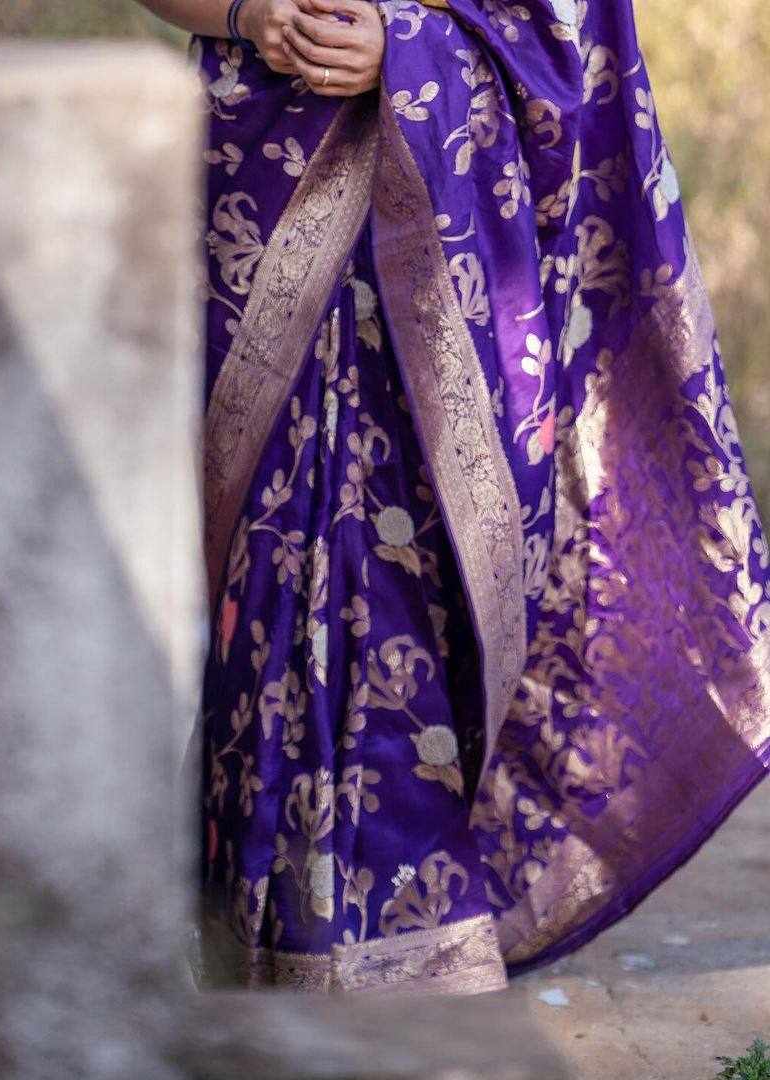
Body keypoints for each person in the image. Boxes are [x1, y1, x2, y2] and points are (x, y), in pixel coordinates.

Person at [140, 0, 770, 994]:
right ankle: (252, 941)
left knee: (420, 578)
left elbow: (568, 30)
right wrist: (251, 14)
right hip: (261, 194)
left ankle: (418, 950)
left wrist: (405, 48)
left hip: (449, 216)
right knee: (261, 576)